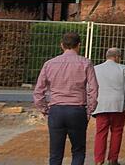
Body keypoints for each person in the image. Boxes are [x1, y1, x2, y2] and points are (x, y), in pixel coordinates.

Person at [34, 32, 98, 165]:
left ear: (62, 45)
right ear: (79, 45)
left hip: (56, 110)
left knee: (56, 153)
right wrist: (89, 110)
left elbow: (39, 91)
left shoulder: (49, 64)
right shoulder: (86, 63)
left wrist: (45, 109)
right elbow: (93, 89)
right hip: (77, 110)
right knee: (78, 150)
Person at [93, 47, 125, 165]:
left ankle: (99, 160)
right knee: (117, 131)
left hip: (101, 105)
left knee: (100, 133)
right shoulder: (123, 69)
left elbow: (92, 87)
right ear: (117, 57)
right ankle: (113, 159)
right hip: (118, 105)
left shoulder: (96, 69)